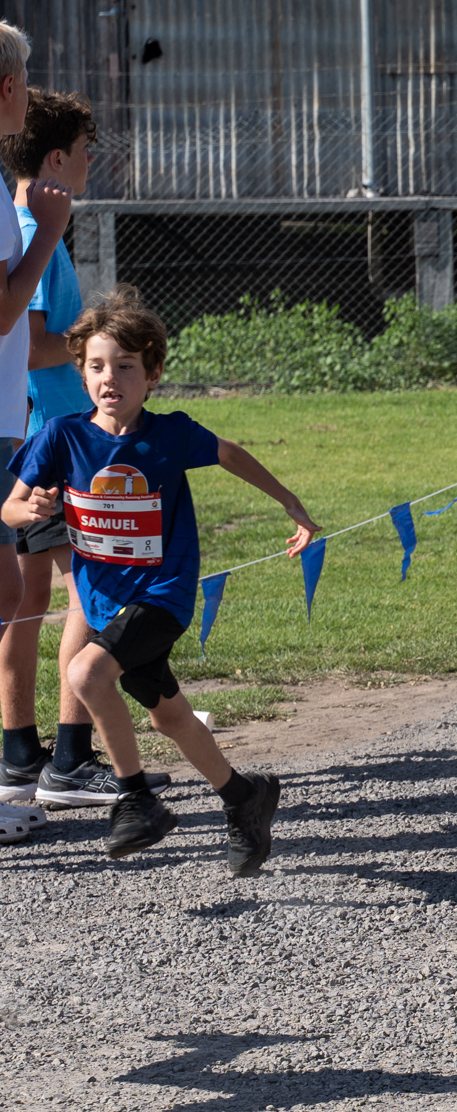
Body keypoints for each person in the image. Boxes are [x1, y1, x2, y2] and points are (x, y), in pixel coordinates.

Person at [5, 291, 310, 867]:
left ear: (152, 375)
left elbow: (230, 453)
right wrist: (34, 509)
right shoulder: (61, 437)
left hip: (162, 596)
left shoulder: (169, 435)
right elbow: (10, 509)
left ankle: (137, 798)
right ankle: (245, 798)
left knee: (87, 674)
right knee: (167, 715)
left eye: (125, 366)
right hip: (104, 605)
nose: (109, 377)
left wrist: (290, 503)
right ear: (81, 373)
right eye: (96, 366)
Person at [0, 92, 103, 824]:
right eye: (86, 150)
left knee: (24, 602)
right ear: (56, 161)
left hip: (30, 434)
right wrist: (104, 349)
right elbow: (32, 343)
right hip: (54, 436)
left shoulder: (22, 220)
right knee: (89, 591)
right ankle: (70, 756)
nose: (92, 162)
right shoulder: (41, 228)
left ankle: (18, 755)